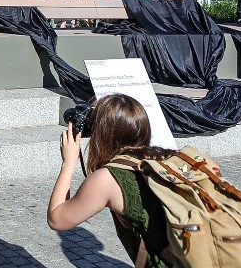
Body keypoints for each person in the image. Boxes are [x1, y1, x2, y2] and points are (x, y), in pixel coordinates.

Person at [48, 94, 178, 267]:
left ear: (102, 133)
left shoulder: (108, 178)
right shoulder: (167, 157)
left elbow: (57, 218)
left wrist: (68, 162)